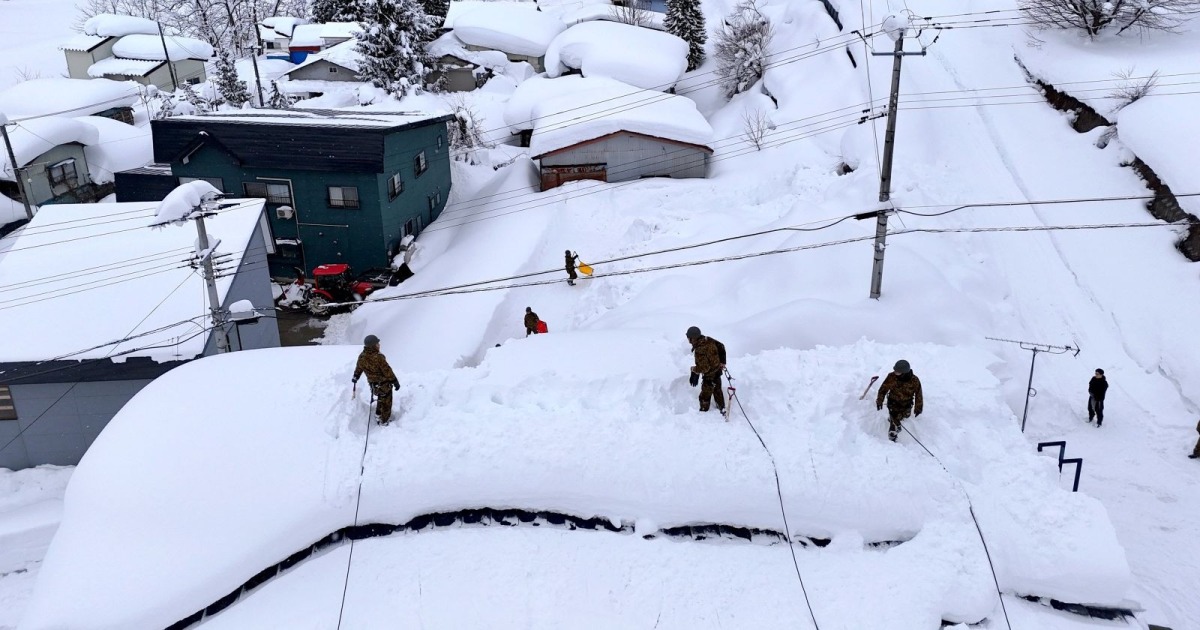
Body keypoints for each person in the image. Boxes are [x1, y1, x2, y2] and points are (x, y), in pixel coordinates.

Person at [352, 334, 399, 425]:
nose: (379, 345)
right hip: (384, 385)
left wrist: (355, 377)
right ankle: (384, 420)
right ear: (373, 346)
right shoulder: (378, 357)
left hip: (373, 386)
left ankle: (378, 413)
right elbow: (387, 371)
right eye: (377, 344)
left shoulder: (362, 356)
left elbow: (358, 369)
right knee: (387, 401)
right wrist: (395, 381)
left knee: (381, 396)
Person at [876, 359, 923, 442]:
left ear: (904, 372)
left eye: (897, 371)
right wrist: (880, 400)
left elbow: (918, 395)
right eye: (895, 370)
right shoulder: (891, 377)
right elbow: (883, 389)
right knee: (894, 416)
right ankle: (893, 430)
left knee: (905, 416)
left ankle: (895, 420)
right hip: (893, 402)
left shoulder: (914, 380)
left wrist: (918, 408)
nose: (895, 372)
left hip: (906, 404)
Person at [686, 326, 727, 414]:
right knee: (717, 391)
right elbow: (721, 346)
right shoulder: (707, 339)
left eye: (688, 337)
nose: (688, 339)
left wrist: (694, 369)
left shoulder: (700, 350)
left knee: (704, 396)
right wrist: (722, 362)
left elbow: (705, 368)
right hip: (717, 371)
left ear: (693, 338)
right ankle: (722, 408)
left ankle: (704, 413)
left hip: (709, 376)